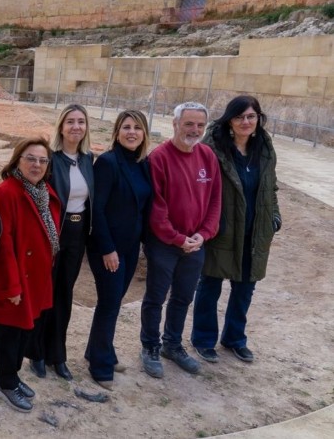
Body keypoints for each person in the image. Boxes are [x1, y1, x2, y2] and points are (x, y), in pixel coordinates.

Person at [191, 96, 281, 364]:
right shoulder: (213, 148)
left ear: (258, 119)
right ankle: (203, 340)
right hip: (222, 230)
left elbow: (271, 187)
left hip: (255, 231)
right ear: (230, 119)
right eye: (240, 116)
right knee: (210, 285)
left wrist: (274, 216)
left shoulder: (264, 147)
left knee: (245, 288)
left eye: (251, 116)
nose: (246, 122)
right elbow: (201, 188)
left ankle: (234, 339)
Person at [140, 102, 222, 379]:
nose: (195, 130)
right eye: (189, 124)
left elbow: (215, 201)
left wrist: (204, 234)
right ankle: (150, 346)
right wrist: (177, 238)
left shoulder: (208, 156)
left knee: (184, 297)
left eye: (200, 125)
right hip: (164, 244)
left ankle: (172, 345)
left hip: (196, 243)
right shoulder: (159, 157)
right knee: (156, 297)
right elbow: (157, 208)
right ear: (175, 124)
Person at [0, 137, 61, 413]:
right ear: (17, 160)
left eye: (42, 160)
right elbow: (3, 244)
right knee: (9, 333)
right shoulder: (7, 193)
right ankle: (4, 382)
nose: (36, 164)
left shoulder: (41, 190)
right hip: (15, 279)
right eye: (30, 158)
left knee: (24, 331)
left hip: (36, 276)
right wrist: (11, 286)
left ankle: (12, 378)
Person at [84, 110, 152, 390]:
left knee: (113, 302)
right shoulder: (108, 163)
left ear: (144, 133)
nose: (132, 132)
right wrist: (108, 249)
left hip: (130, 247)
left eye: (137, 127)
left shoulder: (142, 163)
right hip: (107, 248)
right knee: (110, 304)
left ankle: (98, 351)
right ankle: (100, 366)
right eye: (126, 127)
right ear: (117, 131)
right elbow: (96, 209)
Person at [26, 103, 93, 382]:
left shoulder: (89, 160)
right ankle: (36, 353)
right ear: (61, 127)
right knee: (45, 293)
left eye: (81, 121)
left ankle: (58, 355)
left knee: (65, 295)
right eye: (70, 122)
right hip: (52, 235)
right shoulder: (50, 160)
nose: (76, 127)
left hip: (77, 236)